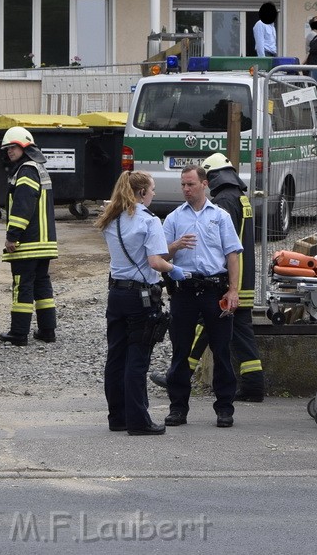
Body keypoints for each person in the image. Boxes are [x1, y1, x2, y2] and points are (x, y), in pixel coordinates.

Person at [95, 171, 186, 436]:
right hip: (140, 296)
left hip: (117, 293)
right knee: (137, 358)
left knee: (116, 357)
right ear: (142, 192)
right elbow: (155, 261)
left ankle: (118, 417)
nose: (154, 194)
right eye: (152, 190)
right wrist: (175, 270)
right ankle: (138, 421)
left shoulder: (112, 218)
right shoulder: (149, 221)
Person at [162, 165, 243, 428]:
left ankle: (224, 408)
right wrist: (175, 246)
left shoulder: (220, 217)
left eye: (190, 184)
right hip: (185, 290)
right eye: (183, 185)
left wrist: (233, 290)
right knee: (180, 351)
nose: (186, 189)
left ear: (204, 184)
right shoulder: (174, 217)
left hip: (214, 290)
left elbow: (232, 255)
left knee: (221, 350)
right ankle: (178, 408)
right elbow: (160, 256)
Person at [0, 126, 58, 346]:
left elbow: (23, 206)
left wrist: (12, 236)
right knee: (42, 284)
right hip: (45, 243)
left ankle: (19, 333)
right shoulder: (38, 168)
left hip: (29, 243)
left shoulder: (25, 171)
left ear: (24, 146)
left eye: (13, 147)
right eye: (7, 148)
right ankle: (47, 331)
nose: (9, 152)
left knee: (22, 285)